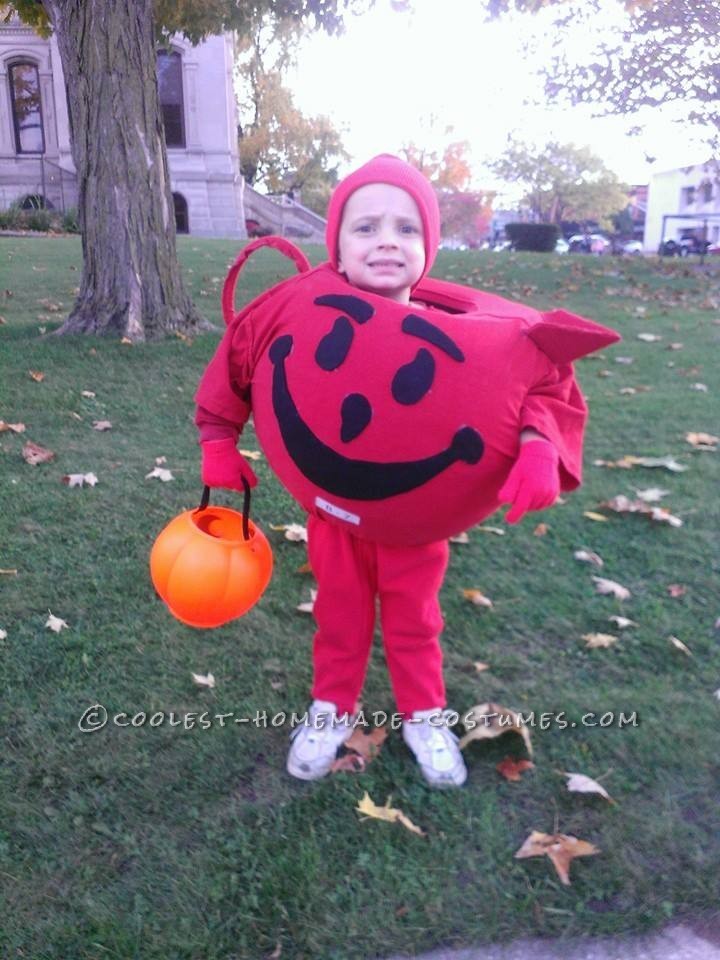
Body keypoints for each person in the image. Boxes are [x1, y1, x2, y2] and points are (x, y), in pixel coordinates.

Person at [194, 154, 619, 788]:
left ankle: (424, 713)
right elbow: (240, 358)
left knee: (415, 621)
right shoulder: (296, 309)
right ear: (335, 243)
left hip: (416, 526)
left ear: (429, 246)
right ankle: (332, 707)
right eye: (365, 227)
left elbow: (537, 389)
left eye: (406, 228)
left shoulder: (467, 336)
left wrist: (538, 447)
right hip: (335, 517)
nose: (386, 240)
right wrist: (218, 439)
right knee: (339, 615)